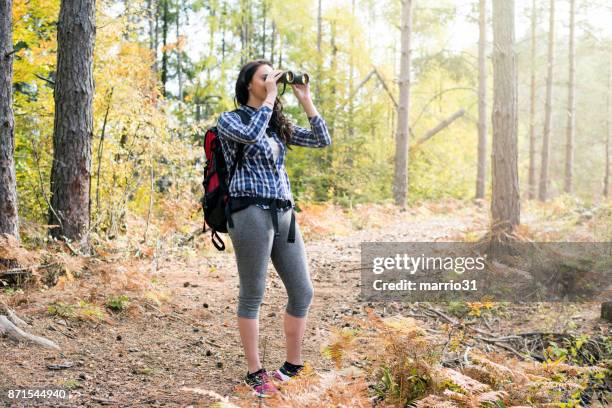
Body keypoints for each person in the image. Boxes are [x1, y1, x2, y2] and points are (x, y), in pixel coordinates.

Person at [216, 60, 332, 397]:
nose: (272, 82)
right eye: (264, 77)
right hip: (249, 209)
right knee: (253, 293)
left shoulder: (277, 124)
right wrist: (268, 101)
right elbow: (251, 135)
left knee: (302, 291)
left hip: (283, 211)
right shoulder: (231, 120)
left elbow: (321, 139)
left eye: (274, 77)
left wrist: (304, 97)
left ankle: (292, 366)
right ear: (248, 85)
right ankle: (255, 373)